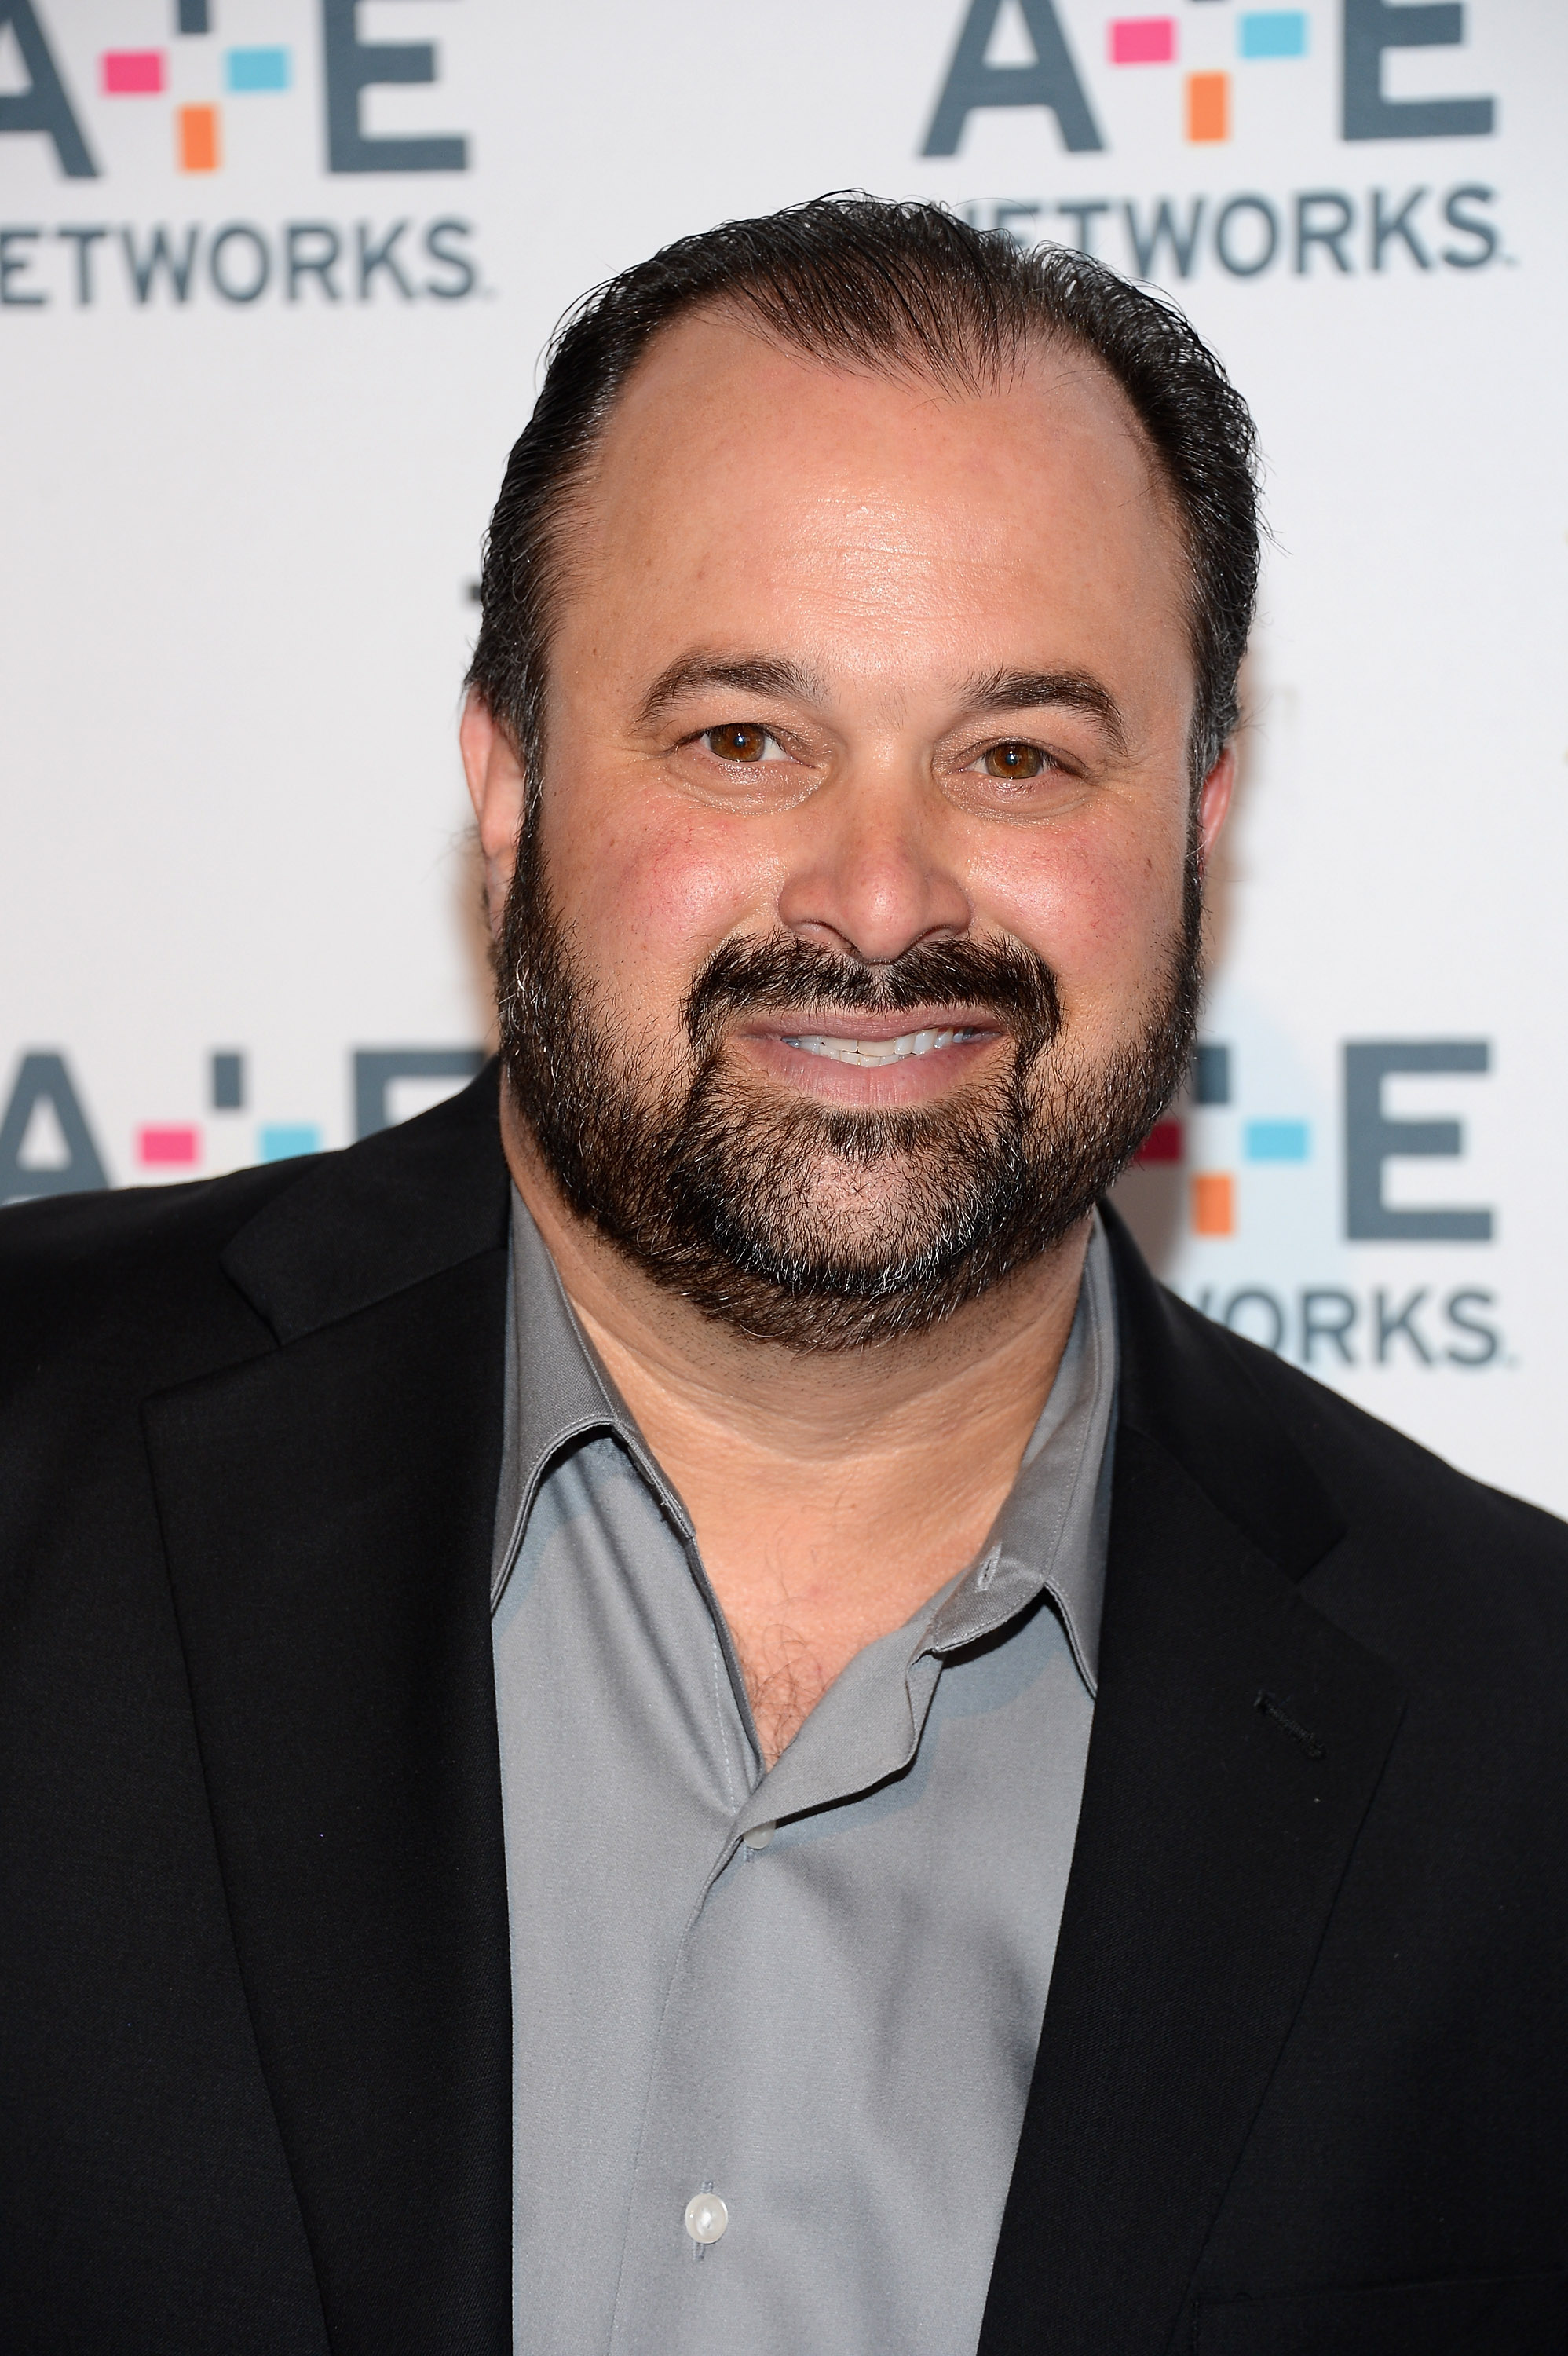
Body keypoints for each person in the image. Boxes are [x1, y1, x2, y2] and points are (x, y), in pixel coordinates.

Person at [1, 196, 1564, 2356]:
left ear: (1198, 821)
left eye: (1020, 753)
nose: (879, 890)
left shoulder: (1524, 1751)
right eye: (746, 735)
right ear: (507, 781)